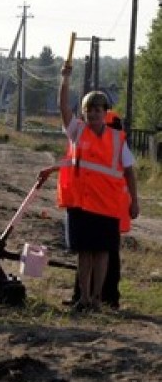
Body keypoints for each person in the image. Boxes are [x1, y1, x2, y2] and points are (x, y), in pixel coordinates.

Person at [39, 64, 139, 312]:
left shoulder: (117, 139)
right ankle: (83, 298)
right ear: (82, 114)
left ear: (105, 112)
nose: (93, 114)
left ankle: (96, 299)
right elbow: (63, 107)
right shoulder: (77, 132)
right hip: (81, 204)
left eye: (97, 110)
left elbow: (129, 171)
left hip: (106, 206)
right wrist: (65, 79)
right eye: (88, 110)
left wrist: (134, 201)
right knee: (85, 254)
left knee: (102, 253)